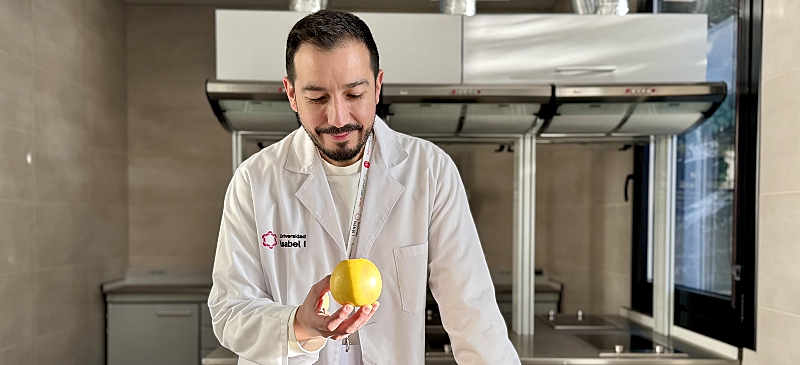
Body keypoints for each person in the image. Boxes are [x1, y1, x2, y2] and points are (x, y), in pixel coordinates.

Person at [208, 9, 521, 365]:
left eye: (354, 94)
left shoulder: (429, 171)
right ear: (291, 94)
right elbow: (230, 312)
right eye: (317, 98)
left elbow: (473, 313)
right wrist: (300, 325)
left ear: (377, 86)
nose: (338, 118)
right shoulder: (255, 181)